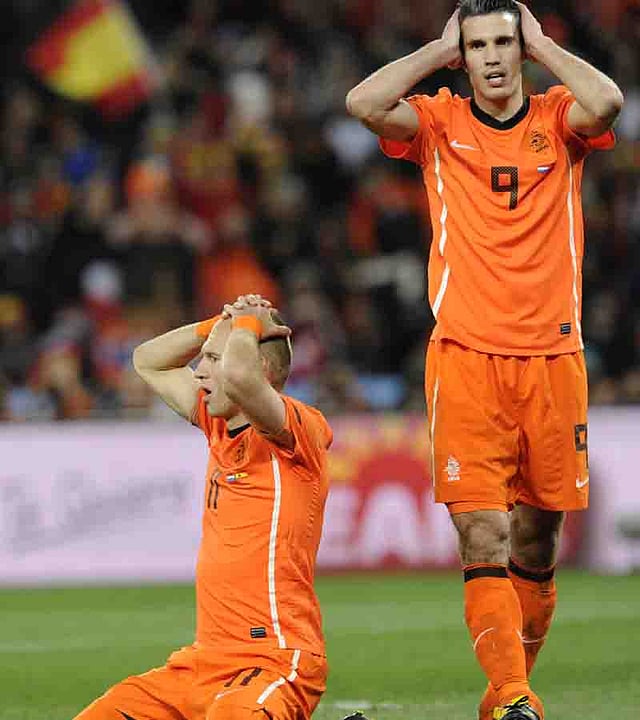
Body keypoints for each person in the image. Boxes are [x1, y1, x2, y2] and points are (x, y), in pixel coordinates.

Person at [345, 2, 623, 719]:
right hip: (466, 357)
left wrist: (546, 45)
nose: (494, 56)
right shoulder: (437, 124)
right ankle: (512, 699)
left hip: (554, 357)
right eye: (479, 46)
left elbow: (608, 101)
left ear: (521, 49)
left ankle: (508, 689)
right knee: (483, 531)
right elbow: (364, 102)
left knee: (538, 532)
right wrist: (434, 55)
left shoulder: (560, 117)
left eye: (505, 42)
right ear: (462, 56)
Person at [73, 293, 333, 720]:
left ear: (259, 368)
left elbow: (245, 380)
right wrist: (221, 322)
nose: (199, 370)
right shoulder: (216, 424)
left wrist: (248, 324)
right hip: (201, 664)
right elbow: (147, 360)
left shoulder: (299, 432)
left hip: (271, 660)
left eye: (213, 358)